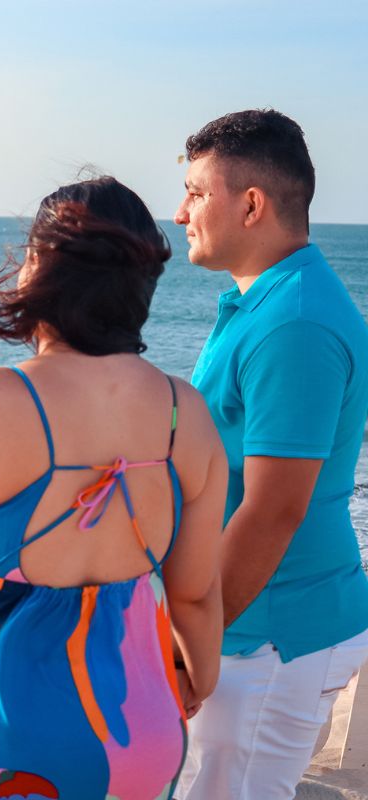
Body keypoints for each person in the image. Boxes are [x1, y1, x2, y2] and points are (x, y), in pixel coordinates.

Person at [0, 177, 227, 798]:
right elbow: (196, 594)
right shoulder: (186, 412)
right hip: (136, 722)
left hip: (1, 731)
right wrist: (197, 682)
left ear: (39, 265)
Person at [172, 109, 368, 798]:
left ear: (251, 204)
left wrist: (189, 640)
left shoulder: (297, 322)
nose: (180, 212)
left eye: (197, 192)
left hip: (271, 634)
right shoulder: (265, 302)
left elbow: (274, 509)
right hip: (253, 626)